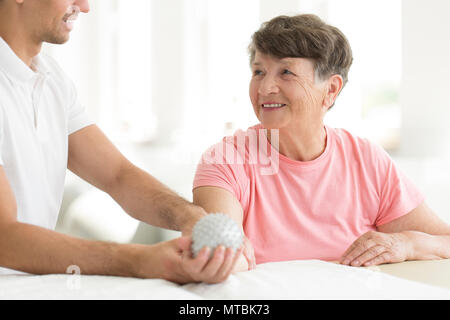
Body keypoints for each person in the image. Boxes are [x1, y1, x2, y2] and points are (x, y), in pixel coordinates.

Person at [0, 0, 247, 284]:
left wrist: (191, 217)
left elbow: (117, 175)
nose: (84, 6)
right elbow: (4, 237)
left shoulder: (52, 79)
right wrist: (141, 260)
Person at [193, 14, 450, 271]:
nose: (265, 87)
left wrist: (406, 243)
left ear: (330, 89)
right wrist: (227, 253)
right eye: (258, 71)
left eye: (286, 72)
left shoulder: (367, 159)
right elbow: (217, 254)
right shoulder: (226, 159)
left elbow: (445, 241)